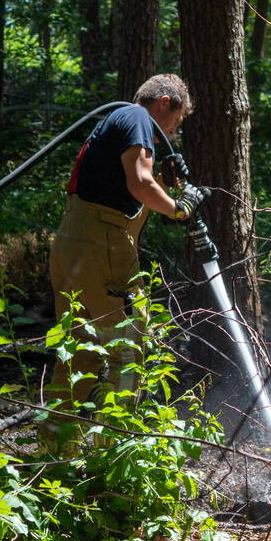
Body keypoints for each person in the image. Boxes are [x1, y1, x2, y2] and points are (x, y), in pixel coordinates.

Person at [44, 73, 209, 451]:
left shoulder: (114, 123)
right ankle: (115, 455)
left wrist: (166, 189)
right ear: (164, 102)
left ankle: (56, 452)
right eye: (176, 123)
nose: (171, 133)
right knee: (129, 346)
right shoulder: (137, 117)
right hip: (102, 243)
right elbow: (139, 183)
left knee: (79, 350)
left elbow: (128, 190)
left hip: (74, 243)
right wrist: (179, 210)